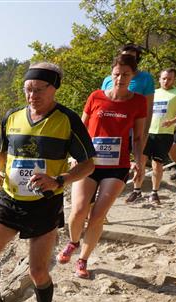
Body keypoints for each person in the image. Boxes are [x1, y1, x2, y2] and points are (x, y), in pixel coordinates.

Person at [0, 62, 95, 302]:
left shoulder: (67, 120)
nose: (32, 95)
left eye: (39, 90)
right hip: (10, 199)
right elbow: (0, 150)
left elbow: (88, 164)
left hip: (44, 204)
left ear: (54, 89)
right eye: (28, 89)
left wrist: (59, 180)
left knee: (38, 271)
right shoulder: (12, 116)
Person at [59, 54, 147, 279]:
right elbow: (80, 129)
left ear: (133, 76)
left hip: (117, 166)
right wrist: (74, 155)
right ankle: (73, 242)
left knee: (97, 215)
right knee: (79, 210)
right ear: (111, 74)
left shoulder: (138, 102)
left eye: (125, 75)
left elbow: (138, 137)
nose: (120, 79)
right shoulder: (96, 96)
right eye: (117, 74)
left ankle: (83, 260)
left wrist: (139, 161)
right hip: (89, 163)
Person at [127, 67, 176, 203]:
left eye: (169, 79)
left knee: (157, 164)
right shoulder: (153, 92)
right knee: (140, 162)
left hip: (164, 134)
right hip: (146, 131)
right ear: (159, 79)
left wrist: (172, 121)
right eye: (164, 78)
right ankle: (136, 191)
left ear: (174, 79)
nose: (166, 81)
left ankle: (154, 193)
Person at [101, 44, 154, 158]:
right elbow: (100, 104)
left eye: (132, 58)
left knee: (133, 159)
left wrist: (144, 134)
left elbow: (149, 108)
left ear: (137, 60)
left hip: (132, 127)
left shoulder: (146, 78)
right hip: (109, 127)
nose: (127, 60)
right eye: (125, 57)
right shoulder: (108, 79)